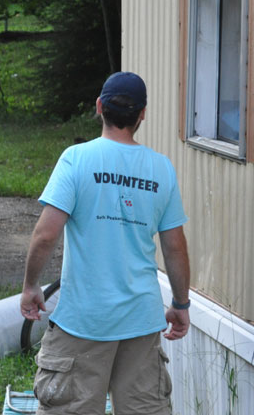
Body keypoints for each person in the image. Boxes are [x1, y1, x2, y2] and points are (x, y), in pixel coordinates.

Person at [20, 72, 191, 415]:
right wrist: (180, 303)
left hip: (83, 319)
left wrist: (30, 285)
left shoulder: (77, 159)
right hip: (141, 321)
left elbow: (46, 234)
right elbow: (175, 247)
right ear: (142, 114)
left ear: (99, 107)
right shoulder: (162, 169)